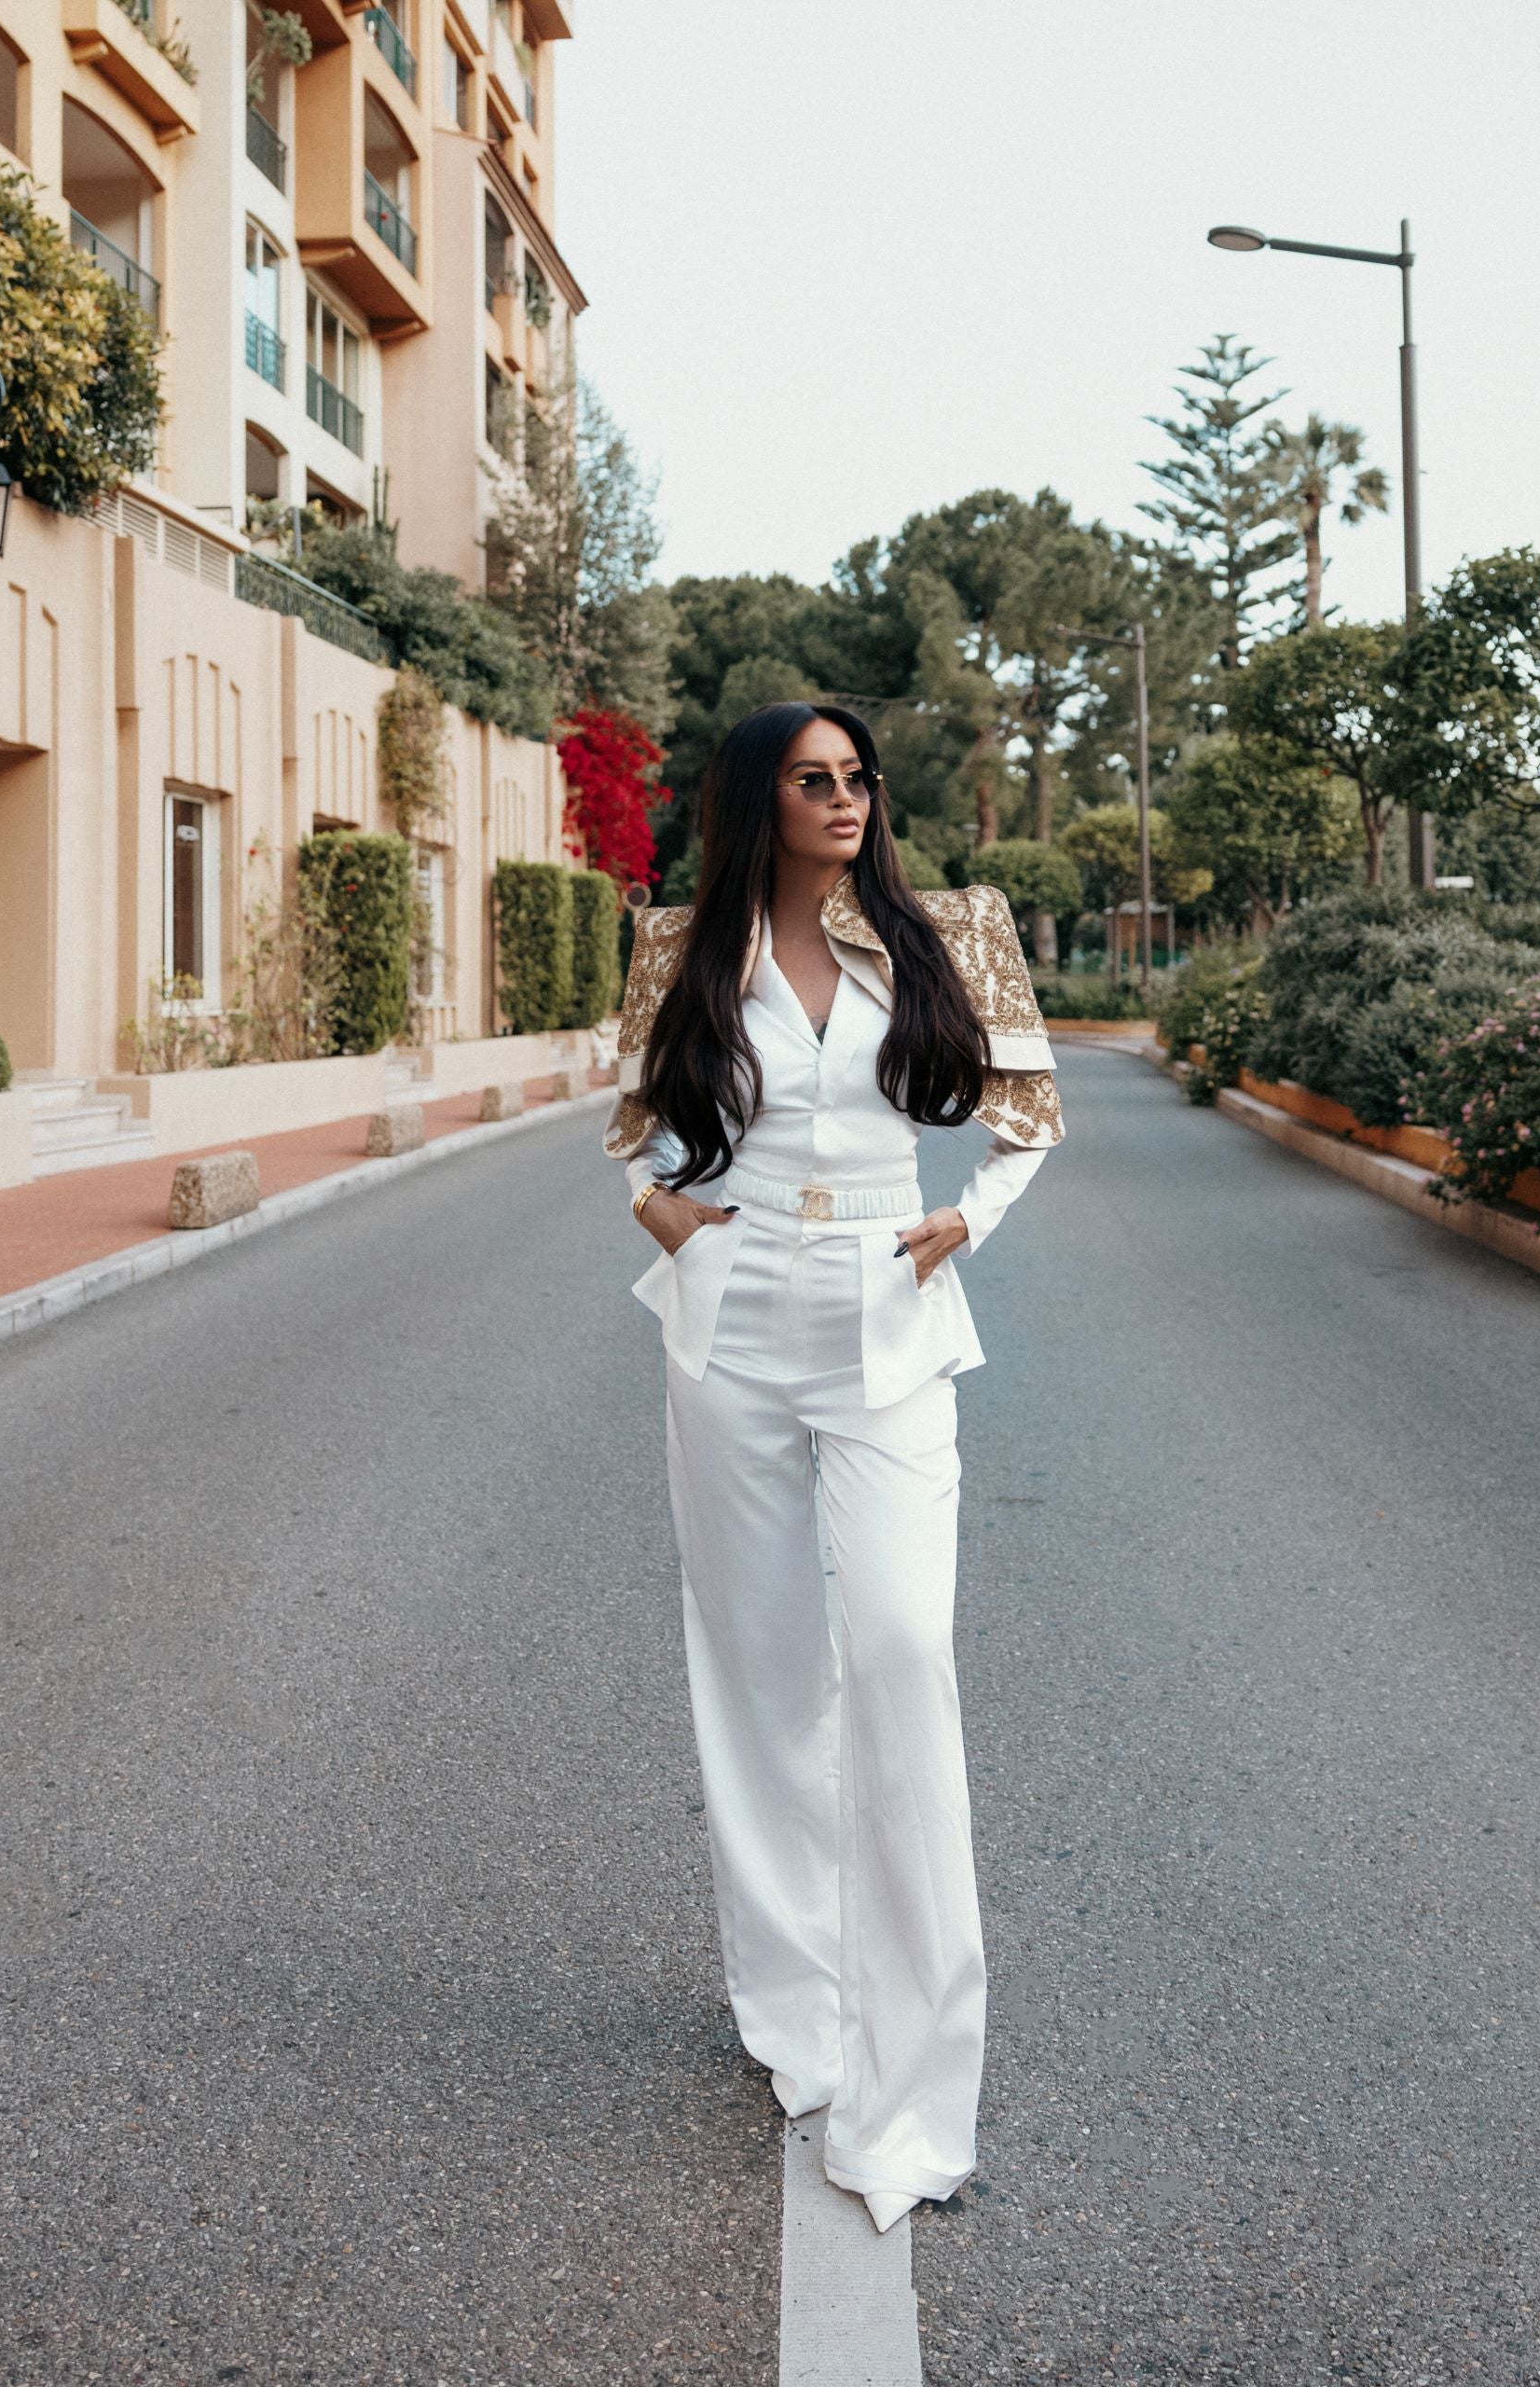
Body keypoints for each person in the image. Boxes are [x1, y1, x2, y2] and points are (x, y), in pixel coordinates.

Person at [604, 701, 1063, 2233]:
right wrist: (674, 1217)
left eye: (860, 777)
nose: (847, 798)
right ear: (760, 799)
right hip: (731, 1328)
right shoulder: (680, 946)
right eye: (816, 780)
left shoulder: (949, 932)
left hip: (890, 1315)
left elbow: (1030, 1119)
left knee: (901, 1652)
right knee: (756, 1669)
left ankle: (917, 2091)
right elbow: (630, 1136)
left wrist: (964, 1223)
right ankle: (799, 2018)